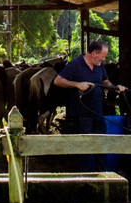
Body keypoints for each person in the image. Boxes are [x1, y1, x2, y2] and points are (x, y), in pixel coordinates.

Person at [54, 40, 126, 169]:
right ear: (93, 54)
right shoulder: (75, 64)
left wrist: (116, 87)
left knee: (101, 144)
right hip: (81, 114)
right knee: (84, 148)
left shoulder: (99, 66)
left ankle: (102, 176)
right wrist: (76, 84)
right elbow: (58, 81)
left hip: (98, 112)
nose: (103, 59)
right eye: (102, 56)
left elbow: (106, 81)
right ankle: (85, 178)